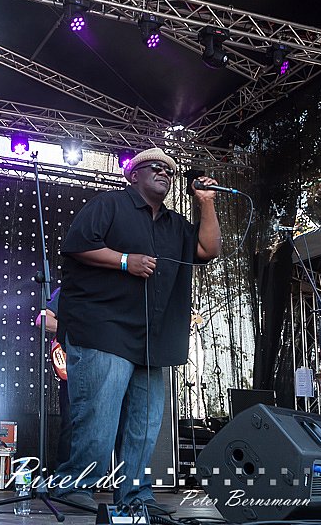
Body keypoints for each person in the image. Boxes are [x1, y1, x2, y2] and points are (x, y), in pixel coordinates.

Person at [50, 147, 221, 510]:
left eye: (169, 171)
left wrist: (206, 202)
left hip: (151, 338)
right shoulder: (109, 205)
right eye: (155, 167)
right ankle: (74, 485)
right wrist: (125, 261)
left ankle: (134, 494)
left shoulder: (175, 224)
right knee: (99, 415)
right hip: (104, 328)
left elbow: (208, 249)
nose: (164, 173)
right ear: (133, 175)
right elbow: (77, 245)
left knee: (145, 423)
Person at [35, 287, 71, 467]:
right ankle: (65, 477)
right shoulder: (69, 288)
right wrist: (74, 329)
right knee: (71, 423)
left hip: (104, 365)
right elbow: (42, 319)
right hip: (74, 366)